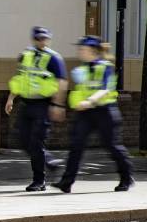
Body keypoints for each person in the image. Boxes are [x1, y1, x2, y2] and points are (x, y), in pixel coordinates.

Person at [52, 36, 134, 193]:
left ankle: (126, 178)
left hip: (105, 111)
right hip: (86, 113)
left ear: (92, 51)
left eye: (82, 49)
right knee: (76, 145)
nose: (79, 52)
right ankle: (66, 182)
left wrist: (89, 101)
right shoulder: (83, 68)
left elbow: (104, 89)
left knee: (112, 146)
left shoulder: (105, 67)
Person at [4, 26, 68, 191]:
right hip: (26, 104)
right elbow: (19, 78)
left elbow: (62, 83)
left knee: (36, 143)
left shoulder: (54, 58)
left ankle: (39, 181)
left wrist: (57, 105)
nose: (42, 41)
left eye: (45, 38)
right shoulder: (26, 55)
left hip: (43, 105)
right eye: (39, 38)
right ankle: (50, 162)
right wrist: (11, 98)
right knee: (24, 140)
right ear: (34, 39)